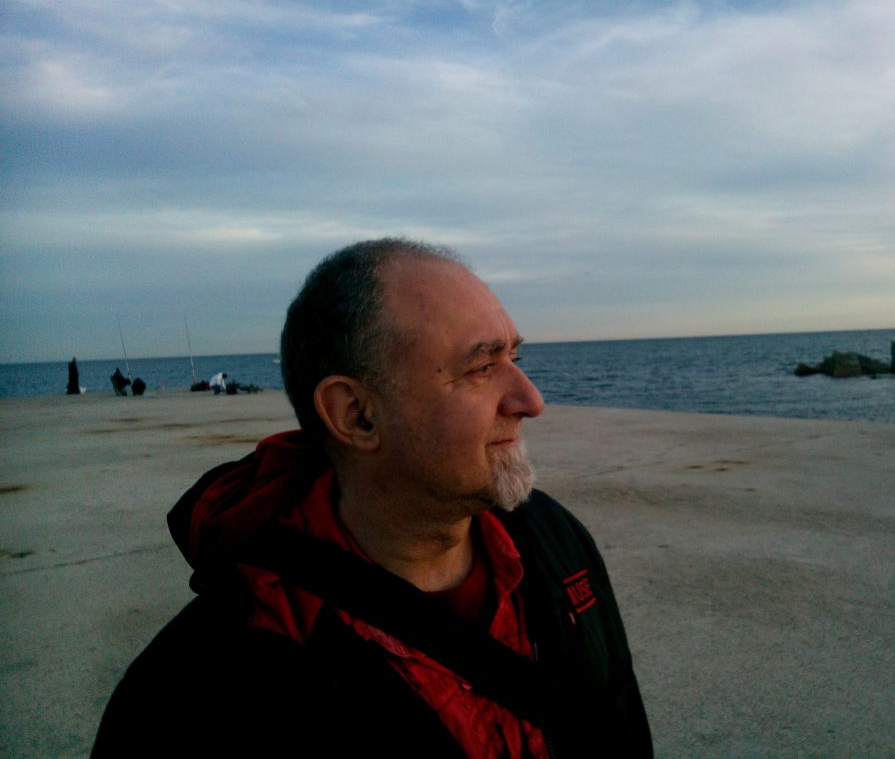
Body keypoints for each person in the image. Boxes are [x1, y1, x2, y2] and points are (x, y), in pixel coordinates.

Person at [92, 238, 652, 758]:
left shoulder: (555, 538)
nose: (531, 400)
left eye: (515, 359)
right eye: (482, 368)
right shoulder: (197, 697)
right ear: (356, 415)